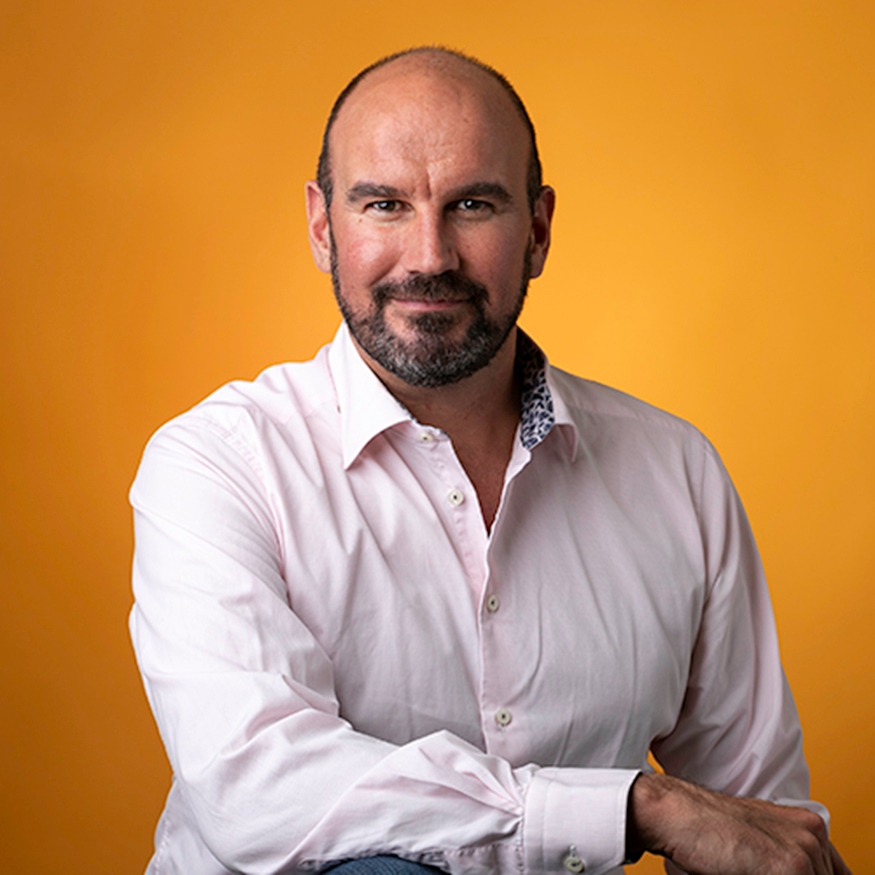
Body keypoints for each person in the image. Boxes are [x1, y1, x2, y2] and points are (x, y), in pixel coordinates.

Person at [129, 47, 851, 874]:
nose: (430, 256)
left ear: (537, 230)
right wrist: (635, 803)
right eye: (384, 205)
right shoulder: (217, 464)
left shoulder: (675, 472)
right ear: (323, 227)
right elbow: (258, 787)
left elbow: (759, 827)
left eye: (472, 204)